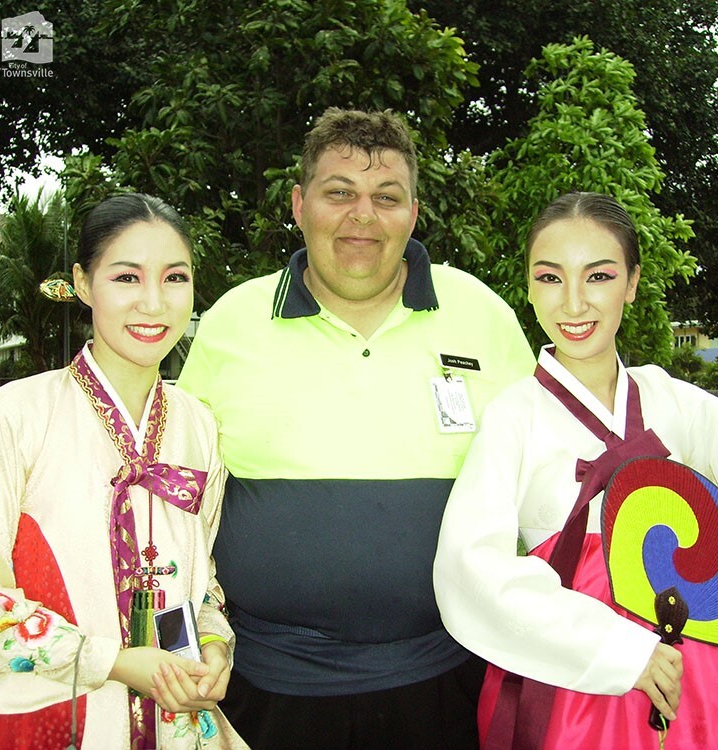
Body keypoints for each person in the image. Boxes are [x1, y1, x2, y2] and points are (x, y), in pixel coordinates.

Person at [175, 108, 536, 749]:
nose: (362, 215)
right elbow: (176, 504)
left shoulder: (484, 316)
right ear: (299, 203)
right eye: (339, 192)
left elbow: (545, 485)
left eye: (386, 197)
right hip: (263, 687)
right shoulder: (231, 323)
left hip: (449, 678)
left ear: (414, 213)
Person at [433, 191, 718, 749]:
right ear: (528, 287)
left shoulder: (677, 402)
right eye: (550, 278)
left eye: (598, 276)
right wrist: (618, 650)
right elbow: (470, 563)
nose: (573, 304)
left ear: (631, 282)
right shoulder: (515, 415)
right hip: (582, 677)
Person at [0, 194, 248, 749]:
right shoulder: (17, 416)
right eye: (127, 277)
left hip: (171, 718)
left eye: (175, 278)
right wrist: (117, 662)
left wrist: (206, 646)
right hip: (54, 714)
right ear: (83, 283)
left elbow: (191, 582)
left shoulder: (198, 427)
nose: (154, 303)